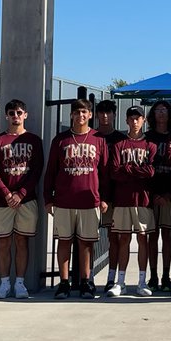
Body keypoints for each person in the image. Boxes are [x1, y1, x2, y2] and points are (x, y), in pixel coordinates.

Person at [44, 99, 109, 299]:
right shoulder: (60, 140)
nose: (81, 115)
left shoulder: (98, 139)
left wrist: (104, 198)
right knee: (64, 242)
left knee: (86, 243)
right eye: (77, 112)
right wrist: (48, 198)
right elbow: (51, 171)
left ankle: (85, 282)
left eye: (84, 112)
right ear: (71, 115)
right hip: (64, 200)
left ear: (90, 115)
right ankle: (64, 283)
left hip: (89, 200)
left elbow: (105, 172)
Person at [0, 99, 44, 300]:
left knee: (22, 241)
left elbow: (37, 169)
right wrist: (7, 193)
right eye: (12, 113)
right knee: (3, 242)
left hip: (26, 200)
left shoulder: (34, 140)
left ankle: (20, 283)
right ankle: (4, 284)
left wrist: (21, 193)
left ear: (25, 115)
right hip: (2, 200)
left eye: (19, 112)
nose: (15, 116)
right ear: (6, 116)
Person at [108, 106, 158, 297]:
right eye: (131, 118)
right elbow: (114, 172)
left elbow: (151, 172)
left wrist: (127, 168)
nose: (135, 121)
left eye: (138, 118)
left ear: (143, 120)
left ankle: (142, 281)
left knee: (143, 238)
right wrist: (137, 170)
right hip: (122, 200)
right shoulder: (119, 145)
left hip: (143, 200)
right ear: (126, 121)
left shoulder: (150, 145)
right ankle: (120, 282)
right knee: (123, 239)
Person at [145, 100, 171, 293]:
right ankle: (153, 276)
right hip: (150, 193)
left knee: (167, 235)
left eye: (164, 110)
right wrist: (152, 194)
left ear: (170, 114)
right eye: (158, 110)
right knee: (152, 235)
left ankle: (166, 276)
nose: (161, 113)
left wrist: (168, 193)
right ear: (153, 114)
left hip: (169, 193)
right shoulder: (147, 137)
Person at [94, 100, 128, 294]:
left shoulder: (121, 139)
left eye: (108, 113)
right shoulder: (91, 136)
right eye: (101, 112)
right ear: (96, 115)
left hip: (115, 196)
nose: (105, 116)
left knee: (115, 238)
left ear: (115, 115)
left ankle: (111, 277)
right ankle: (84, 278)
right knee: (86, 239)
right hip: (90, 194)